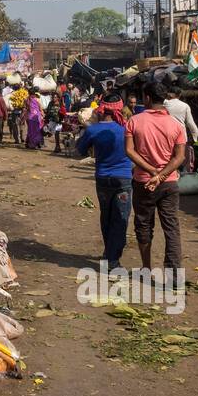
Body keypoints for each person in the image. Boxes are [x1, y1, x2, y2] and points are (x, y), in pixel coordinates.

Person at [125, 83, 187, 281]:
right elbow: (179, 158)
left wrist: (152, 172)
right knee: (171, 228)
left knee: (143, 225)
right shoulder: (177, 125)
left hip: (143, 181)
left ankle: (146, 269)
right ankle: (174, 278)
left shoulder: (134, 121)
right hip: (169, 183)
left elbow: (129, 150)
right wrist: (160, 175)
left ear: (148, 98)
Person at [77, 98, 133, 270]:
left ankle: (109, 253)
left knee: (106, 215)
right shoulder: (126, 128)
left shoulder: (93, 129)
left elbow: (80, 149)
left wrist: (88, 130)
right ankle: (112, 259)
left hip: (102, 179)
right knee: (121, 218)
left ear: (101, 110)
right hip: (123, 179)